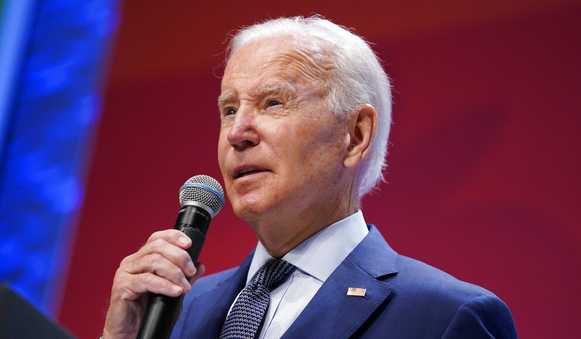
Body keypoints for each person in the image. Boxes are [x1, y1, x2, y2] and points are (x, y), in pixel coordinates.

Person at [102, 16, 518, 339]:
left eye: (273, 103)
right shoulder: (179, 312)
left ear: (355, 136)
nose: (237, 133)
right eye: (229, 110)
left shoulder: (443, 317)